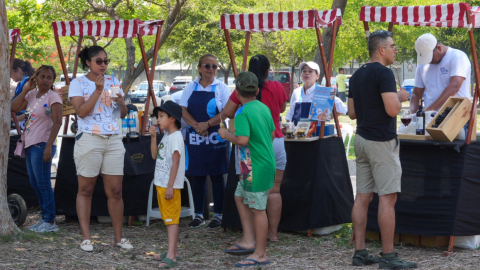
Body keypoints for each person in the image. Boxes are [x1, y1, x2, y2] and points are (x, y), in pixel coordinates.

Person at [348, 30, 416, 269]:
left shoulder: (356, 75)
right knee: (387, 198)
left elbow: (352, 113)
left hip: (361, 139)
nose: (396, 49)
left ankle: (360, 252)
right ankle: (388, 257)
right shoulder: (384, 73)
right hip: (381, 142)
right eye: (393, 46)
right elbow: (392, 110)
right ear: (381, 50)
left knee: (363, 197)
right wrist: (400, 95)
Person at [69, 45, 130, 252]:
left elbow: (121, 114)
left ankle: (118, 238)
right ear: (88, 62)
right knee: (86, 190)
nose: (103, 65)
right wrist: (97, 91)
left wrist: (122, 103)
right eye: (99, 61)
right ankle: (87, 238)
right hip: (89, 138)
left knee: (115, 191)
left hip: (113, 139)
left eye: (106, 61)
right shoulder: (77, 83)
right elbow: (82, 112)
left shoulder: (114, 81)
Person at [222, 54, 287, 241]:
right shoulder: (274, 88)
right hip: (274, 144)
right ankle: (272, 234)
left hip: (250, 153)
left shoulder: (242, 97)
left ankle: (254, 239)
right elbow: (282, 109)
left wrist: (227, 133)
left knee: (251, 199)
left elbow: (227, 113)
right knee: (273, 190)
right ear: (268, 71)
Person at [219, 71, 275, 267]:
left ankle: (260, 253)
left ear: (236, 92)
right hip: (256, 164)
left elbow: (242, 140)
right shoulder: (263, 108)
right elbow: (272, 133)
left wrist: (226, 134)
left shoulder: (242, 112)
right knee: (240, 197)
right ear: (257, 90)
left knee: (258, 209)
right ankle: (248, 240)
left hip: (254, 167)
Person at [179, 54, 230, 229]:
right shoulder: (190, 87)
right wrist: (196, 125)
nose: (211, 69)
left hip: (216, 138)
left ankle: (219, 215)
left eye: (214, 67)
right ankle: (198, 214)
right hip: (196, 137)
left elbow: (227, 112)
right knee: (198, 176)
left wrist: (207, 124)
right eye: (207, 66)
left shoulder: (222, 87)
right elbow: (182, 108)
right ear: (199, 68)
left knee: (217, 176)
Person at [11, 65, 62, 232]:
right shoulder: (32, 94)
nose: (45, 80)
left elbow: (57, 122)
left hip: (43, 144)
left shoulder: (54, 97)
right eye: (42, 77)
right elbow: (14, 107)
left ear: (53, 80)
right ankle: (44, 217)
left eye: (49, 78)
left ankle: (50, 221)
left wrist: (49, 146)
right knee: (35, 182)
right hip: (30, 143)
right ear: (36, 78)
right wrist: (26, 88)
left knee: (43, 183)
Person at [149, 101, 185, 268]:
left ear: (172, 119)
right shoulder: (166, 136)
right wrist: (154, 137)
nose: (158, 119)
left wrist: (171, 186)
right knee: (168, 219)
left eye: (161, 116)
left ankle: (172, 255)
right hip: (161, 183)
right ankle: (173, 251)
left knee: (171, 220)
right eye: (158, 116)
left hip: (168, 185)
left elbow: (176, 164)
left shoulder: (176, 137)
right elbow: (155, 156)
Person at [410, 33, 471, 112]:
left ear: (439, 48)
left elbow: (454, 87)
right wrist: (414, 115)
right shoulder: (422, 65)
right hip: (431, 117)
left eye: (430, 57)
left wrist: (430, 110)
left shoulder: (458, 57)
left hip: (456, 115)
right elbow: (416, 94)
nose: (429, 62)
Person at [10, 58, 35, 129]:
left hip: (26, 124)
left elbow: (32, 110)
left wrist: (13, 120)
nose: (9, 75)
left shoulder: (28, 85)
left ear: (17, 70)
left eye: (10, 72)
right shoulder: (19, 85)